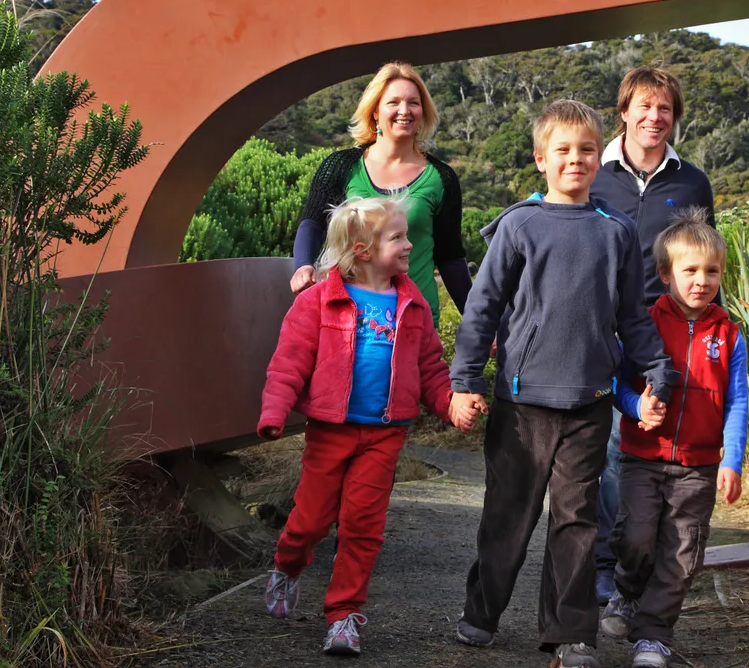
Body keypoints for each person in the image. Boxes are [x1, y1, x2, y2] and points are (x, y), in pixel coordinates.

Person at [448, 99, 677, 668]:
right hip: (521, 403)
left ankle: (571, 634)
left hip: (590, 403)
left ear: (600, 157)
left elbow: (633, 317)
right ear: (540, 159)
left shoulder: (616, 231)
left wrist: (657, 373)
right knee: (509, 515)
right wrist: (464, 379)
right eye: (564, 150)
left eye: (587, 150)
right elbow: (482, 308)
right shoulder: (519, 225)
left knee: (577, 520)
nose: (576, 159)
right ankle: (481, 613)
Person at [257, 196, 479, 656]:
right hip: (330, 431)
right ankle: (286, 566)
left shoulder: (412, 304)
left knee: (363, 525)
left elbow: (431, 370)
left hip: (383, 434)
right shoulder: (320, 300)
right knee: (310, 521)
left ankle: (343, 616)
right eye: (397, 236)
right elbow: (288, 365)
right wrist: (274, 414)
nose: (409, 244)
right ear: (361, 250)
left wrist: (451, 406)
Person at [599, 208, 749, 668]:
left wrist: (732, 461)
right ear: (665, 274)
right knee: (638, 538)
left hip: (699, 466)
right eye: (690, 270)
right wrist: (634, 406)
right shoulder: (643, 327)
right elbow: (616, 384)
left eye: (712, 271)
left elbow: (738, 402)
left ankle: (653, 636)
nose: (701, 281)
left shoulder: (729, 336)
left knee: (683, 552)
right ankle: (626, 589)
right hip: (643, 457)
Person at [589, 66, 718, 603]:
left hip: (660, 331)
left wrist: (711, 332)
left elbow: (703, 258)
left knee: (635, 443)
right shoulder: (593, 173)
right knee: (600, 447)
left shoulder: (691, 181)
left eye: (664, 108)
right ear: (624, 112)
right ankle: (602, 562)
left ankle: (623, 564)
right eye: (644, 106)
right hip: (598, 324)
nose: (654, 117)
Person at [290, 62, 471, 326]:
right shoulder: (342, 166)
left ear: (423, 111)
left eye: (413, 103)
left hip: (415, 319)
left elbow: (450, 257)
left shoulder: (441, 178)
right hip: (350, 320)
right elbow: (313, 222)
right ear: (375, 111)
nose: (404, 111)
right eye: (393, 102)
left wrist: (480, 322)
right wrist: (303, 264)